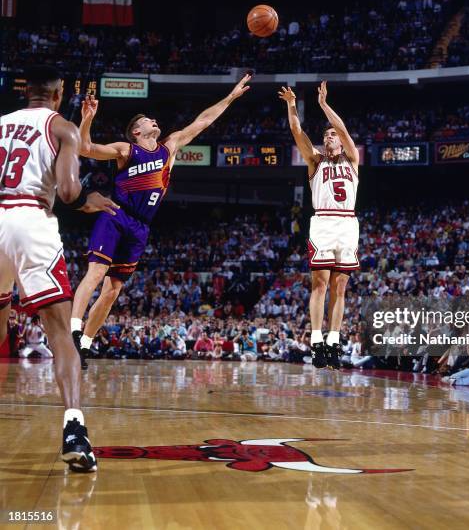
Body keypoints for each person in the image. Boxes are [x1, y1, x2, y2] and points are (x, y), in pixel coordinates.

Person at [70, 75, 252, 368]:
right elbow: (84, 147)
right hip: (117, 215)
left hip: (142, 226)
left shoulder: (170, 146)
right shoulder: (127, 150)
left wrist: (230, 97)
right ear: (136, 131)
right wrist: (87, 119)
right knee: (96, 272)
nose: (154, 120)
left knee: (113, 290)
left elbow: (203, 121)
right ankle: (73, 331)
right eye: (147, 120)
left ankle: (86, 345)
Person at [0, 65, 118, 472]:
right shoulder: (62, 127)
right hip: (31, 220)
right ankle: (74, 428)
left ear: (26, 91)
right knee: (60, 331)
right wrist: (93, 199)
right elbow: (68, 192)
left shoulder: (0, 124)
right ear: (58, 94)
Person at [279, 81, 360, 369]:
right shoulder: (315, 161)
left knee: (340, 286)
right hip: (324, 221)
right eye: (326, 134)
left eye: (333, 134)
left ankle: (334, 340)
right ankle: (316, 341)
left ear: (340, 140)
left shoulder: (352, 159)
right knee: (320, 284)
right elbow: (297, 132)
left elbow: (344, 130)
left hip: (348, 223)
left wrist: (324, 105)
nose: (329, 136)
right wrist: (292, 105)